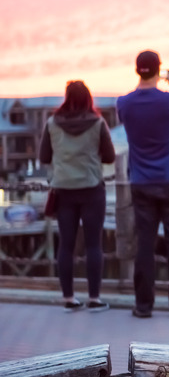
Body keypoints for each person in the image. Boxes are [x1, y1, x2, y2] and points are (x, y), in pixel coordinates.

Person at [116, 50, 169, 318]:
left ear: (137, 70)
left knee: (145, 244)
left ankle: (143, 306)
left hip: (141, 182)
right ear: (158, 69)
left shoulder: (123, 103)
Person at [39, 80, 116, 312]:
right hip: (92, 188)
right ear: (88, 99)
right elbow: (110, 156)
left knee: (66, 245)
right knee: (94, 244)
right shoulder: (98, 122)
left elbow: (44, 157)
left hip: (63, 190)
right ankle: (94, 298)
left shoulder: (52, 123)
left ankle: (69, 298)